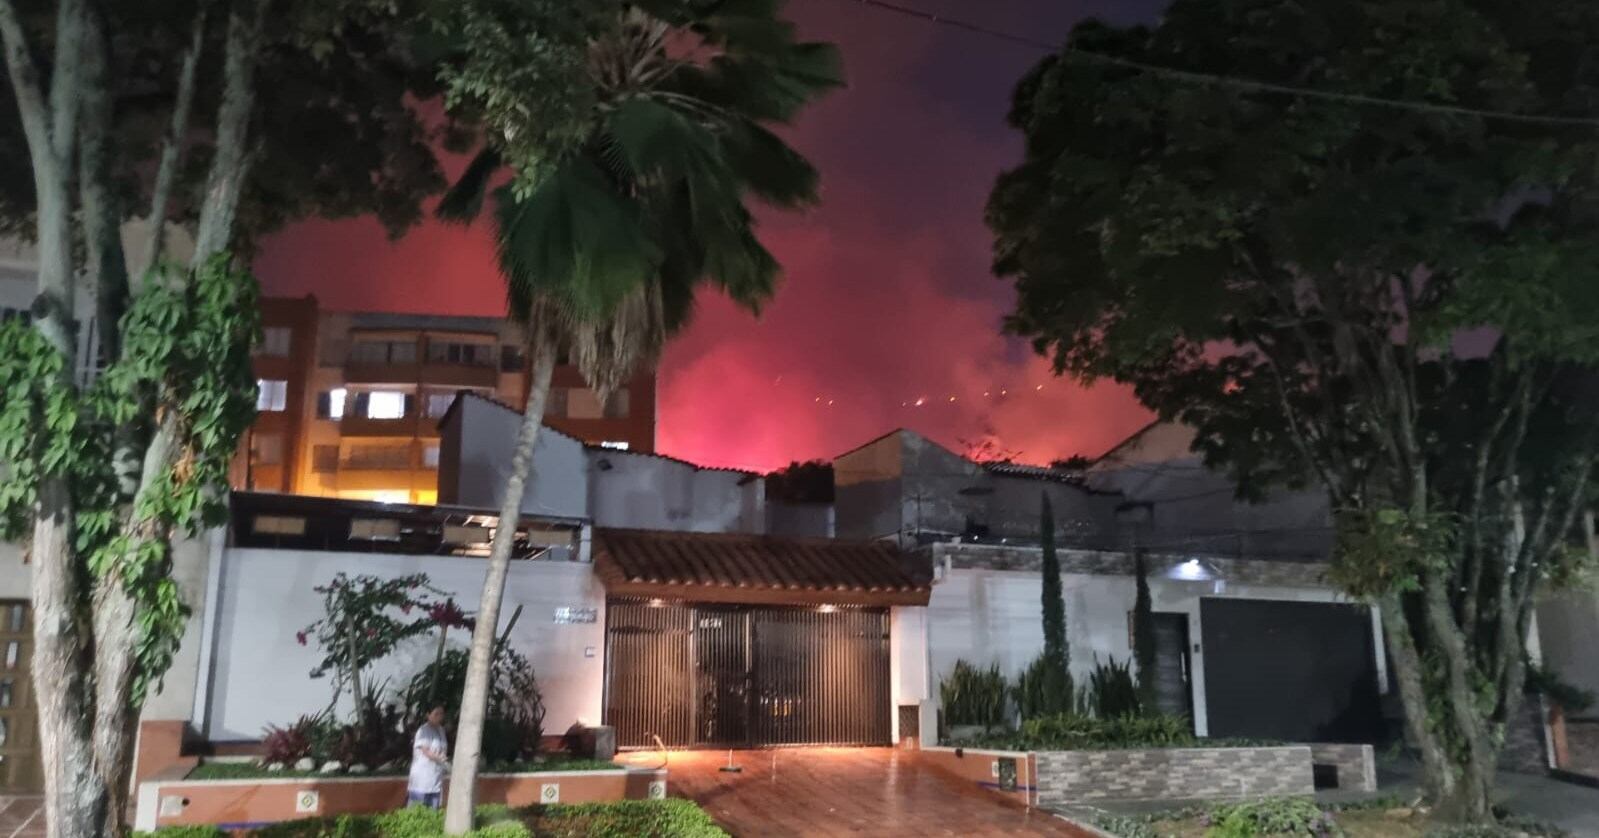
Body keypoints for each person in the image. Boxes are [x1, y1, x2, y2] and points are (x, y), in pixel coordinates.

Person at [407, 706, 449, 808]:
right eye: (436, 714)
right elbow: (426, 751)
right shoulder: (423, 730)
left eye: (441, 714)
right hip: (422, 776)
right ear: (428, 715)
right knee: (418, 808)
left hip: (436, 776)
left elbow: (443, 748)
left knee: (433, 808)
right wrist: (440, 758)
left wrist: (443, 758)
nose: (439, 717)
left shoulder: (441, 730)